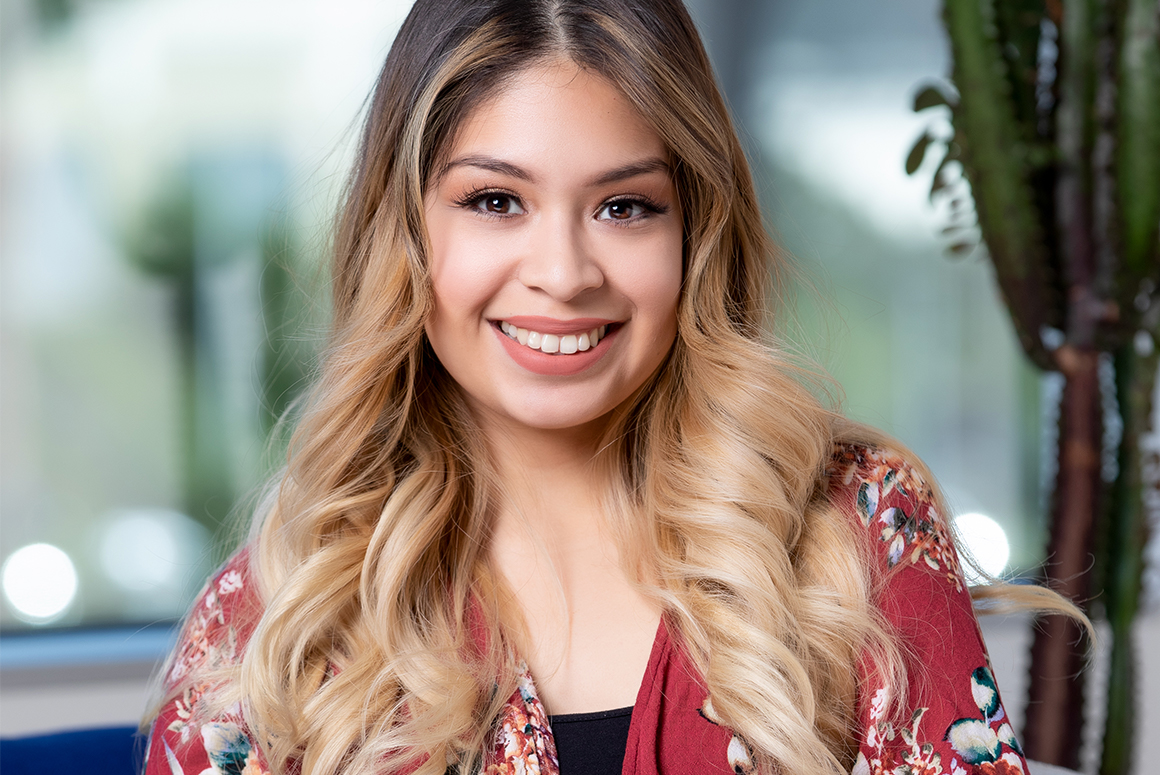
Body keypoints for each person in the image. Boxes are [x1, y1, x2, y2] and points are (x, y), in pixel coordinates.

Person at [142, 1, 1085, 774]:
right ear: (406, 234)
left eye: (624, 206)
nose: (563, 271)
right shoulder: (278, 618)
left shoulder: (856, 528)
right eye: (495, 201)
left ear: (694, 235)